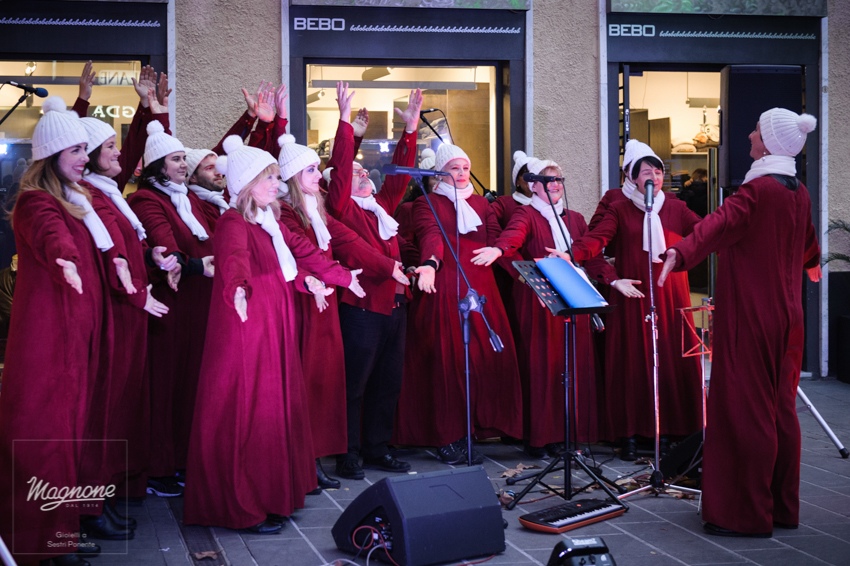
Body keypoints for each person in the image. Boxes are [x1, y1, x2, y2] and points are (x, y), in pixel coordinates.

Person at [183, 136, 364, 534]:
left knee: (273, 411)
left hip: (274, 324)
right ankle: (242, 505)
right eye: (269, 178)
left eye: (277, 177)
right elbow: (235, 263)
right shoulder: (234, 222)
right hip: (247, 329)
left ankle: (270, 495)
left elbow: (294, 261)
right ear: (247, 183)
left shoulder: (270, 223)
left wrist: (329, 278)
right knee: (249, 411)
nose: (277, 184)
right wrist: (237, 290)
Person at [658, 108, 821, 538]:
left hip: (752, 314)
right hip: (789, 316)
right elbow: (808, 243)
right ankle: (781, 507)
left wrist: (679, 253)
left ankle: (744, 513)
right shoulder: (798, 191)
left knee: (744, 409)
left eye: (756, 131)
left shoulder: (758, 190)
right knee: (780, 409)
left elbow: (719, 224)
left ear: (768, 144)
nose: (750, 135)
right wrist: (810, 263)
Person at [0, 96, 110, 565]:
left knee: (68, 440)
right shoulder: (36, 202)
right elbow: (50, 234)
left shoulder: (75, 199)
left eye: (86, 149)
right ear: (50, 156)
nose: (85, 158)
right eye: (76, 151)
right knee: (44, 442)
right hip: (46, 345)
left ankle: (62, 531)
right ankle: (39, 541)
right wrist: (64, 259)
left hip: (73, 340)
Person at [276, 132, 409, 490]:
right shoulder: (292, 210)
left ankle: (322, 456)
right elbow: (303, 251)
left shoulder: (320, 210)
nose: (317, 176)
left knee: (333, 382)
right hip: (308, 301)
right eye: (310, 171)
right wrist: (343, 276)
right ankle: (319, 457)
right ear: (292, 177)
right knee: (322, 382)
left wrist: (390, 267)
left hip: (326, 302)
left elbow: (348, 242)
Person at [570, 144, 703, 461]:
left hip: (671, 295)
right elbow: (597, 240)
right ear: (631, 177)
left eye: (658, 171)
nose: (654, 177)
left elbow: (703, 232)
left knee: (670, 358)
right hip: (633, 295)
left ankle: (670, 430)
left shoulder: (676, 207)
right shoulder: (619, 207)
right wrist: (572, 254)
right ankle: (629, 432)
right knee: (632, 362)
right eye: (646, 172)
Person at [472, 158, 611, 454]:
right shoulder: (525, 214)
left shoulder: (575, 218)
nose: (555, 185)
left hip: (573, 297)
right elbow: (512, 238)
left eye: (558, 179)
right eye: (547, 180)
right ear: (533, 186)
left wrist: (613, 280)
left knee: (573, 364)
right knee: (543, 366)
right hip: (540, 300)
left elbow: (592, 256)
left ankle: (571, 434)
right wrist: (499, 249)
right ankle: (542, 436)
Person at [396, 142, 523, 464]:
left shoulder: (481, 203)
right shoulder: (427, 202)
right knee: (449, 363)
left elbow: (496, 239)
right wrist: (430, 263)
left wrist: (519, 268)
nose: (462, 173)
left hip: (482, 288)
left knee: (484, 359)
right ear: (440, 172)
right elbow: (430, 235)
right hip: (447, 287)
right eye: (454, 168)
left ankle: (478, 427)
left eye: (465, 167)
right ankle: (448, 435)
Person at [322, 83, 423, 480]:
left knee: (387, 382)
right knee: (355, 384)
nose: (364, 173)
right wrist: (344, 123)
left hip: (395, 306)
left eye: (365, 171)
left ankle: (377, 448)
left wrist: (410, 131)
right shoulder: (342, 208)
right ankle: (347, 453)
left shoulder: (380, 208)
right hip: (362, 309)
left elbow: (398, 179)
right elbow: (341, 168)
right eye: (357, 172)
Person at [128, 120, 216, 497]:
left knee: (188, 386)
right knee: (164, 388)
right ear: (157, 166)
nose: (183, 165)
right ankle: (159, 468)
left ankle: (180, 459)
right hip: (169, 307)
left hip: (195, 307)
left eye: (184, 158)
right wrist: (192, 265)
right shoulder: (147, 200)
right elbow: (166, 247)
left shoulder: (189, 197)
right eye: (176, 159)